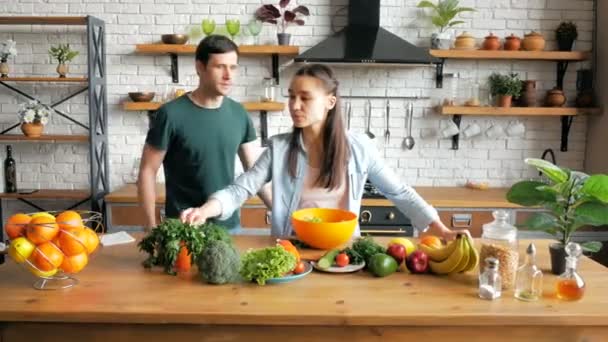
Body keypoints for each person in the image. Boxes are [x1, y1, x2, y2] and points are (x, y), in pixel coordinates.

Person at [180, 64, 469, 241]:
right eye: (291, 96)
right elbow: (240, 189)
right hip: (291, 252)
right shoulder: (280, 148)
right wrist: (206, 210)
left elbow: (401, 194)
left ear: (330, 102)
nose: (294, 105)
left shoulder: (359, 147)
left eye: (305, 98)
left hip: (344, 256)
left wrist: (441, 230)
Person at [137, 35, 270, 232]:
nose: (228, 75)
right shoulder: (170, 114)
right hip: (183, 228)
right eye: (220, 67)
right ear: (200, 67)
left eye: (233, 67)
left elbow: (255, 173)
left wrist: (282, 212)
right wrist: (150, 226)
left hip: (229, 228)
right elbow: (147, 171)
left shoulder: (239, 113)